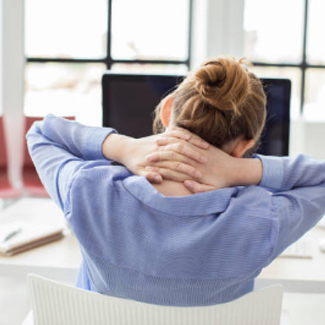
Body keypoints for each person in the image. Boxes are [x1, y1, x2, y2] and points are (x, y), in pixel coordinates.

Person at [26, 57, 325, 307]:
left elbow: (42, 134)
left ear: (167, 111)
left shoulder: (90, 190)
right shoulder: (260, 219)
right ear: (244, 144)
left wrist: (123, 147)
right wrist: (240, 169)